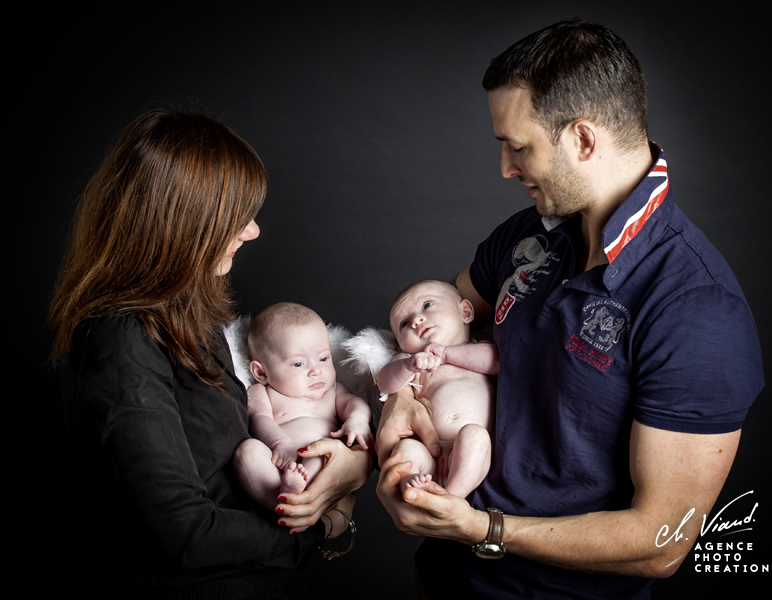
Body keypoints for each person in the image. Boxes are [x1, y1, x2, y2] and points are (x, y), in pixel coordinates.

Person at [375, 19, 764, 599]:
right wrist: (401, 402)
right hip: (443, 577)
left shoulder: (698, 310)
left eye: (518, 146)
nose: (505, 168)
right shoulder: (529, 235)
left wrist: (485, 530)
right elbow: (426, 328)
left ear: (583, 139)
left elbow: (663, 541)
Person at [49, 110, 371, 599]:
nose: (254, 231)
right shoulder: (120, 337)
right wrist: (323, 529)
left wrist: (351, 466)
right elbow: (186, 533)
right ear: (181, 222)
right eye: (236, 216)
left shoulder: (190, 316)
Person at [234, 302, 372, 515]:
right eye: (298, 364)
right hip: (276, 460)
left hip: (318, 461)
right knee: (247, 451)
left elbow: (354, 404)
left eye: (323, 358)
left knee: (323, 449)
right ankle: (280, 499)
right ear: (261, 373)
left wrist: (357, 420)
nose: (316, 371)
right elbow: (259, 418)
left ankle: (301, 496)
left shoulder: (333, 390)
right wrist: (279, 442)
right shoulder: (262, 392)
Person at [376, 280, 497, 497]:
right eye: (404, 324)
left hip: (465, 449)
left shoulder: (479, 349)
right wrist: (405, 366)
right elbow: (384, 382)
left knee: (476, 437)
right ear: (400, 346)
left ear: (466, 312)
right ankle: (411, 484)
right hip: (427, 450)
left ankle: (451, 497)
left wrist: (447, 353)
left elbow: (496, 362)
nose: (416, 320)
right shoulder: (413, 361)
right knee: (406, 451)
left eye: (427, 305)